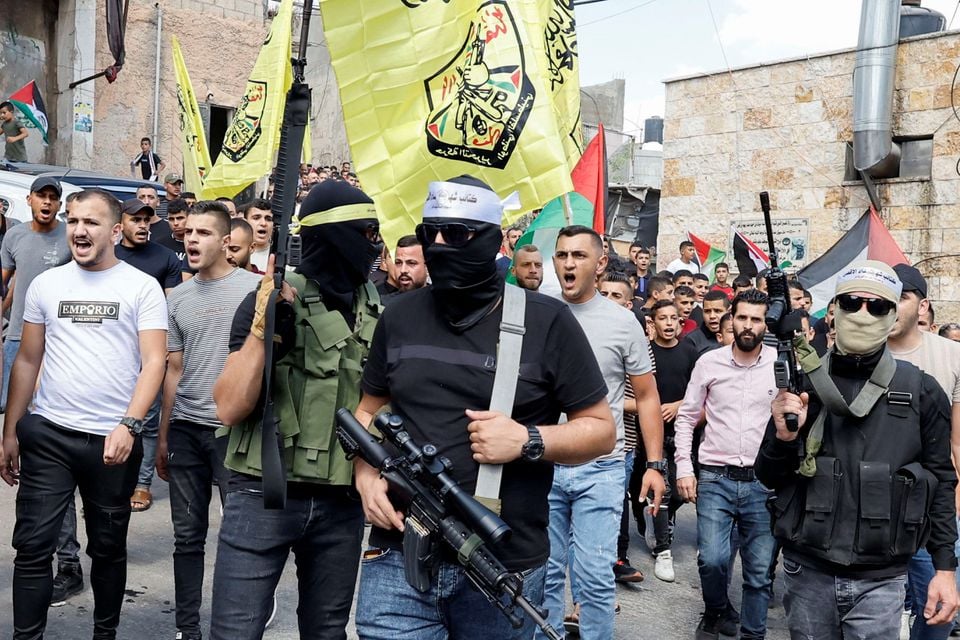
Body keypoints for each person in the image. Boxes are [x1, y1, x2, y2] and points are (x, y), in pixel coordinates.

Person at [351, 176, 617, 639]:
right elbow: (367, 412)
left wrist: (528, 440)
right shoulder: (398, 317)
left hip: (502, 565)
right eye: (429, 231)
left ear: (491, 241)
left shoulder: (546, 320)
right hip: (397, 555)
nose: (438, 245)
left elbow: (600, 429)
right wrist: (365, 476)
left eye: (455, 234)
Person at [211, 180, 383, 640]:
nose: (375, 245)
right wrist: (263, 331)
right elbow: (228, 406)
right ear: (334, 235)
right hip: (264, 490)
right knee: (235, 630)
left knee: (326, 631)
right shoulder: (271, 296)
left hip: (341, 500)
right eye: (365, 233)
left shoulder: (375, 308)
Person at [756, 261, 959, 640]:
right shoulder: (806, 383)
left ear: (894, 314)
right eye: (852, 302)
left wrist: (944, 571)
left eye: (877, 306)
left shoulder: (923, 390)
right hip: (809, 570)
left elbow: (941, 483)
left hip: (881, 580)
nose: (863, 313)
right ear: (833, 311)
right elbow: (768, 475)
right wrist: (783, 439)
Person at [0, 188, 167, 639]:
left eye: (91, 222)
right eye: (73, 220)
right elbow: (28, 360)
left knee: (108, 548)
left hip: (112, 442)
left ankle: (104, 633)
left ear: (114, 230)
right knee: (32, 547)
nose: (78, 230)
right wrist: (10, 431)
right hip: (50, 434)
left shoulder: (141, 287)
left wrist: (129, 425)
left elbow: (155, 360)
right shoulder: (47, 285)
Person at [541, 225, 665, 639]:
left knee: (594, 579)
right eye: (562, 255)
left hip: (601, 468)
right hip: (542, 463)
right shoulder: (538, 312)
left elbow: (647, 397)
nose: (569, 263)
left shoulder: (623, 322)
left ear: (600, 264)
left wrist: (654, 465)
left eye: (579, 255)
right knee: (543, 576)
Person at [157, 201, 260, 640]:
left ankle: (236, 623)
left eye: (202, 233)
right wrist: (162, 436)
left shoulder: (256, 291)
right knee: (187, 536)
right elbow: (172, 371)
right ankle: (188, 628)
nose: (191, 239)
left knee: (241, 537)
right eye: (188, 232)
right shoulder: (175, 298)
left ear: (226, 242)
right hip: (185, 429)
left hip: (234, 433)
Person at [675, 289, 778, 640]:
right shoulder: (709, 363)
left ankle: (753, 634)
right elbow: (687, 418)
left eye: (756, 319)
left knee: (760, 572)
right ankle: (716, 609)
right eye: (743, 317)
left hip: (762, 482)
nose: (748, 326)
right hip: (715, 478)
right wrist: (684, 469)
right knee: (712, 560)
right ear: (730, 319)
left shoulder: (780, 366)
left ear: (766, 324)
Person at [886, 263, 960, 640]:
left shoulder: (951, 356)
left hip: (929, 509)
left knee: (938, 617)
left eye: (903, 296)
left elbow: (957, 443)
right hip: (874, 509)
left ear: (923, 305)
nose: (892, 305)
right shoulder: (860, 354)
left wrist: (954, 509)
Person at [114, 198, 184, 513]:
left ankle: (141, 485)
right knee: (113, 415)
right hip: (113, 352)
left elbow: (171, 309)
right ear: (121, 224)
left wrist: (167, 351)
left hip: (150, 352)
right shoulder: (108, 256)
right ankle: (109, 480)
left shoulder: (166, 258)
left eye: (147, 220)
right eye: (135, 220)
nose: (143, 225)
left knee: (148, 420)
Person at [598, 271, 651, 585]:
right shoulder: (583, 333)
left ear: (630, 304)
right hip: (583, 442)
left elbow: (644, 399)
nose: (608, 302)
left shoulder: (637, 343)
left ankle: (617, 560)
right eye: (603, 294)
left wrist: (604, 403)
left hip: (623, 442)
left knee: (615, 507)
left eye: (616, 296)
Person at [645, 299, 698, 582]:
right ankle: (662, 548)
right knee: (654, 489)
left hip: (681, 428)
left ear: (680, 322)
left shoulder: (689, 351)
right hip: (650, 430)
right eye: (662, 318)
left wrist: (678, 405)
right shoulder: (646, 351)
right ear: (653, 323)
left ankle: (664, 519)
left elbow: (697, 390)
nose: (668, 323)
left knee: (677, 491)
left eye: (673, 318)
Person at [686, 290, 731, 356]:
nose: (712, 316)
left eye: (717, 311)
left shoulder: (737, 336)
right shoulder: (691, 340)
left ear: (729, 311)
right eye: (707, 311)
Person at [240, 198, 273, 272]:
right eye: (256, 218)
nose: (263, 223)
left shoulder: (282, 256)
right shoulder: (235, 253)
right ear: (245, 222)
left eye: (268, 219)